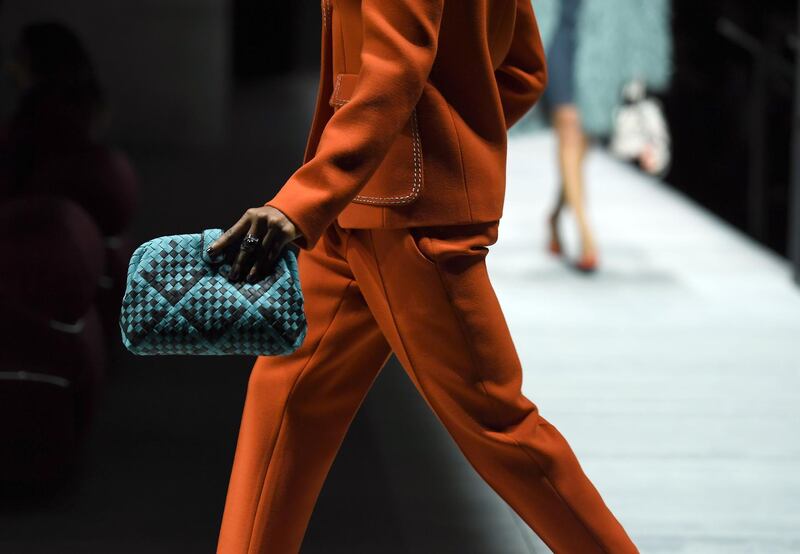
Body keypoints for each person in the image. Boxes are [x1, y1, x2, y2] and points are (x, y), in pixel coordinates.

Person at [209, 1, 638, 552]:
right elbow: (523, 69)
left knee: (499, 426)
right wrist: (455, 138)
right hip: (369, 205)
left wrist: (303, 200)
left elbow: (392, 71)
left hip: (405, 216)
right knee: (287, 394)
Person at [534, 0, 672, 272]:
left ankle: (555, 215)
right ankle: (587, 237)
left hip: (600, 41)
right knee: (569, 126)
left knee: (584, 139)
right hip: (554, 32)